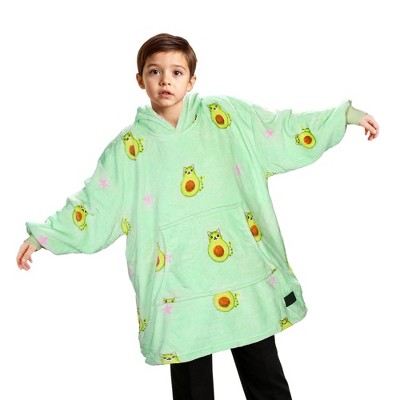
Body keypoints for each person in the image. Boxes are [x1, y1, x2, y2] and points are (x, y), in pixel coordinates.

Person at [16, 33, 379, 400]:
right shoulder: (128, 150)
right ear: (140, 79)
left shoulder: (225, 118)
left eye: (176, 72)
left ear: (191, 80)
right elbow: (95, 205)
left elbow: (279, 130)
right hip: (178, 288)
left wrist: (343, 117)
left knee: (265, 380)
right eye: (154, 71)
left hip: (241, 274)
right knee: (192, 388)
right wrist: (45, 236)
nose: (165, 80)